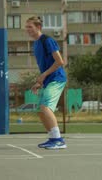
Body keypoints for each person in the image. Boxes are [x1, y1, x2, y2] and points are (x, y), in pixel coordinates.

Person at [25, 16, 67, 150]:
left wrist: (44, 75)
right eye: (26, 27)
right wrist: (40, 81)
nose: (27, 30)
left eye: (30, 27)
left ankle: (59, 140)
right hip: (49, 80)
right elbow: (44, 66)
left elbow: (60, 62)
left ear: (38, 27)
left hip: (57, 79)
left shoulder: (47, 40)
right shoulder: (36, 44)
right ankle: (52, 138)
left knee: (45, 108)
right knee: (41, 111)